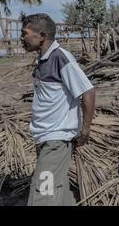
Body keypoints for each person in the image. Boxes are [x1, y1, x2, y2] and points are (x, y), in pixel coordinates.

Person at [20, 13, 95, 206]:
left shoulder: (61, 58)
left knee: (43, 196)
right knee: (58, 195)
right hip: (45, 138)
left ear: (42, 35)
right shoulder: (43, 60)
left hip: (56, 141)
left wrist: (85, 130)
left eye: (25, 33)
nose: (22, 38)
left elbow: (87, 92)